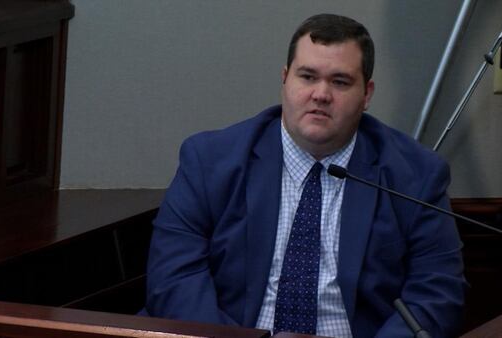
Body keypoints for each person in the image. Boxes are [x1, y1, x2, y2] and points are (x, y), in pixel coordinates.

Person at [145, 13, 466, 338]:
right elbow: (173, 278)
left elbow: (437, 294)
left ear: (366, 94)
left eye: (340, 82)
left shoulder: (415, 175)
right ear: (285, 79)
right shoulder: (210, 161)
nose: (321, 94)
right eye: (308, 77)